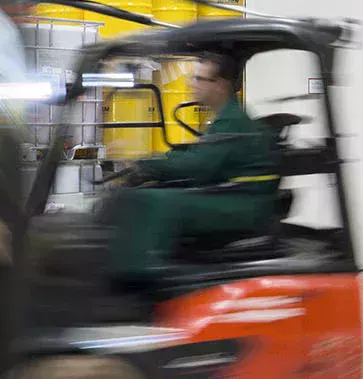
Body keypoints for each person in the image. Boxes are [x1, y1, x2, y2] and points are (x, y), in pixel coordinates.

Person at [105, 51, 280, 286]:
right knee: (154, 191)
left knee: (152, 201)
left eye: (199, 79)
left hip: (243, 203)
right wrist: (154, 164)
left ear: (220, 85)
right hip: (233, 195)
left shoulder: (232, 121)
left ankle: (139, 281)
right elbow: (200, 156)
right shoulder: (225, 119)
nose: (192, 84)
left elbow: (200, 165)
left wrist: (146, 166)